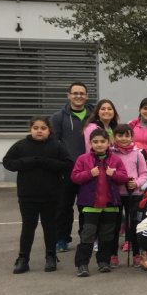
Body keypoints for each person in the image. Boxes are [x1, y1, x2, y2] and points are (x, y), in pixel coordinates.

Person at [3, 117, 72, 274]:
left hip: (51, 195)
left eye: (43, 128)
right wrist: (30, 161)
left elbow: (68, 165)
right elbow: (8, 162)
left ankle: (51, 256)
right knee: (28, 227)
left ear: (49, 130)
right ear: (30, 129)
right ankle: (23, 259)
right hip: (28, 196)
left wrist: (45, 162)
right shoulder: (21, 146)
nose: (39, 130)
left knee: (50, 227)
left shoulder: (57, 146)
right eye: (36, 128)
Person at [70, 129, 129, 277]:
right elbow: (75, 177)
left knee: (107, 236)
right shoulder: (83, 159)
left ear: (108, 142)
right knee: (87, 235)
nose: (99, 144)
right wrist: (90, 173)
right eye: (95, 142)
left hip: (110, 205)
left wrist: (113, 174)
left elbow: (124, 177)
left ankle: (103, 261)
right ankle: (82, 264)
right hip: (90, 206)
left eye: (102, 141)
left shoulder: (115, 159)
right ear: (90, 143)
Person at [51, 82, 90, 253]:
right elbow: (54, 143)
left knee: (86, 206)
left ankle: (86, 237)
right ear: (69, 95)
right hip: (67, 169)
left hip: (89, 169)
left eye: (82, 93)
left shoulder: (93, 115)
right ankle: (62, 238)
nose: (78, 96)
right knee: (64, 206)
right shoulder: (58, 117)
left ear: (87, 96)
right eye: (75, 93)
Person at [111, 124, 147, 268]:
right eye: (120, 135)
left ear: (131, 137)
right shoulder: (111, 153)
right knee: (115, 225)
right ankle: (113, 254)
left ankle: (137, 253)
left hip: (134, 194)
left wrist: (136, 183)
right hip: (116, 194)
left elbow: (144, 174)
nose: (124, 139)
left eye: (127, 135)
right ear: (114, 137)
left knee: (134, 224)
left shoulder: (138, 154)